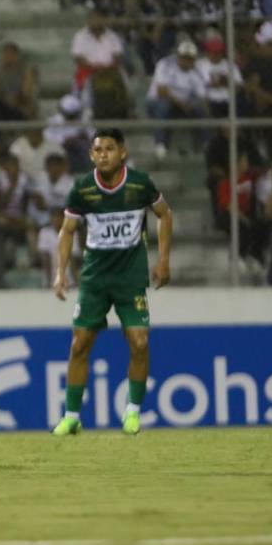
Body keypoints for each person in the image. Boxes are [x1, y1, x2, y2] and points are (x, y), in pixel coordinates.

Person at [51, 128, 174, 437]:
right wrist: (60, 272)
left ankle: (132, 413)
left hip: (130, 278)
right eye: (97, 149)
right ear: (92, 155)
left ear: (123, 153)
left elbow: (165, 214)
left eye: (109, 148)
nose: (103, 154)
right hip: (94, 278)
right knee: (79, 344)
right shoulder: (82, 189)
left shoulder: (139, 184)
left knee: (140, 342)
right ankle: (71, 416)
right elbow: (66, 231)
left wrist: (163, 261)